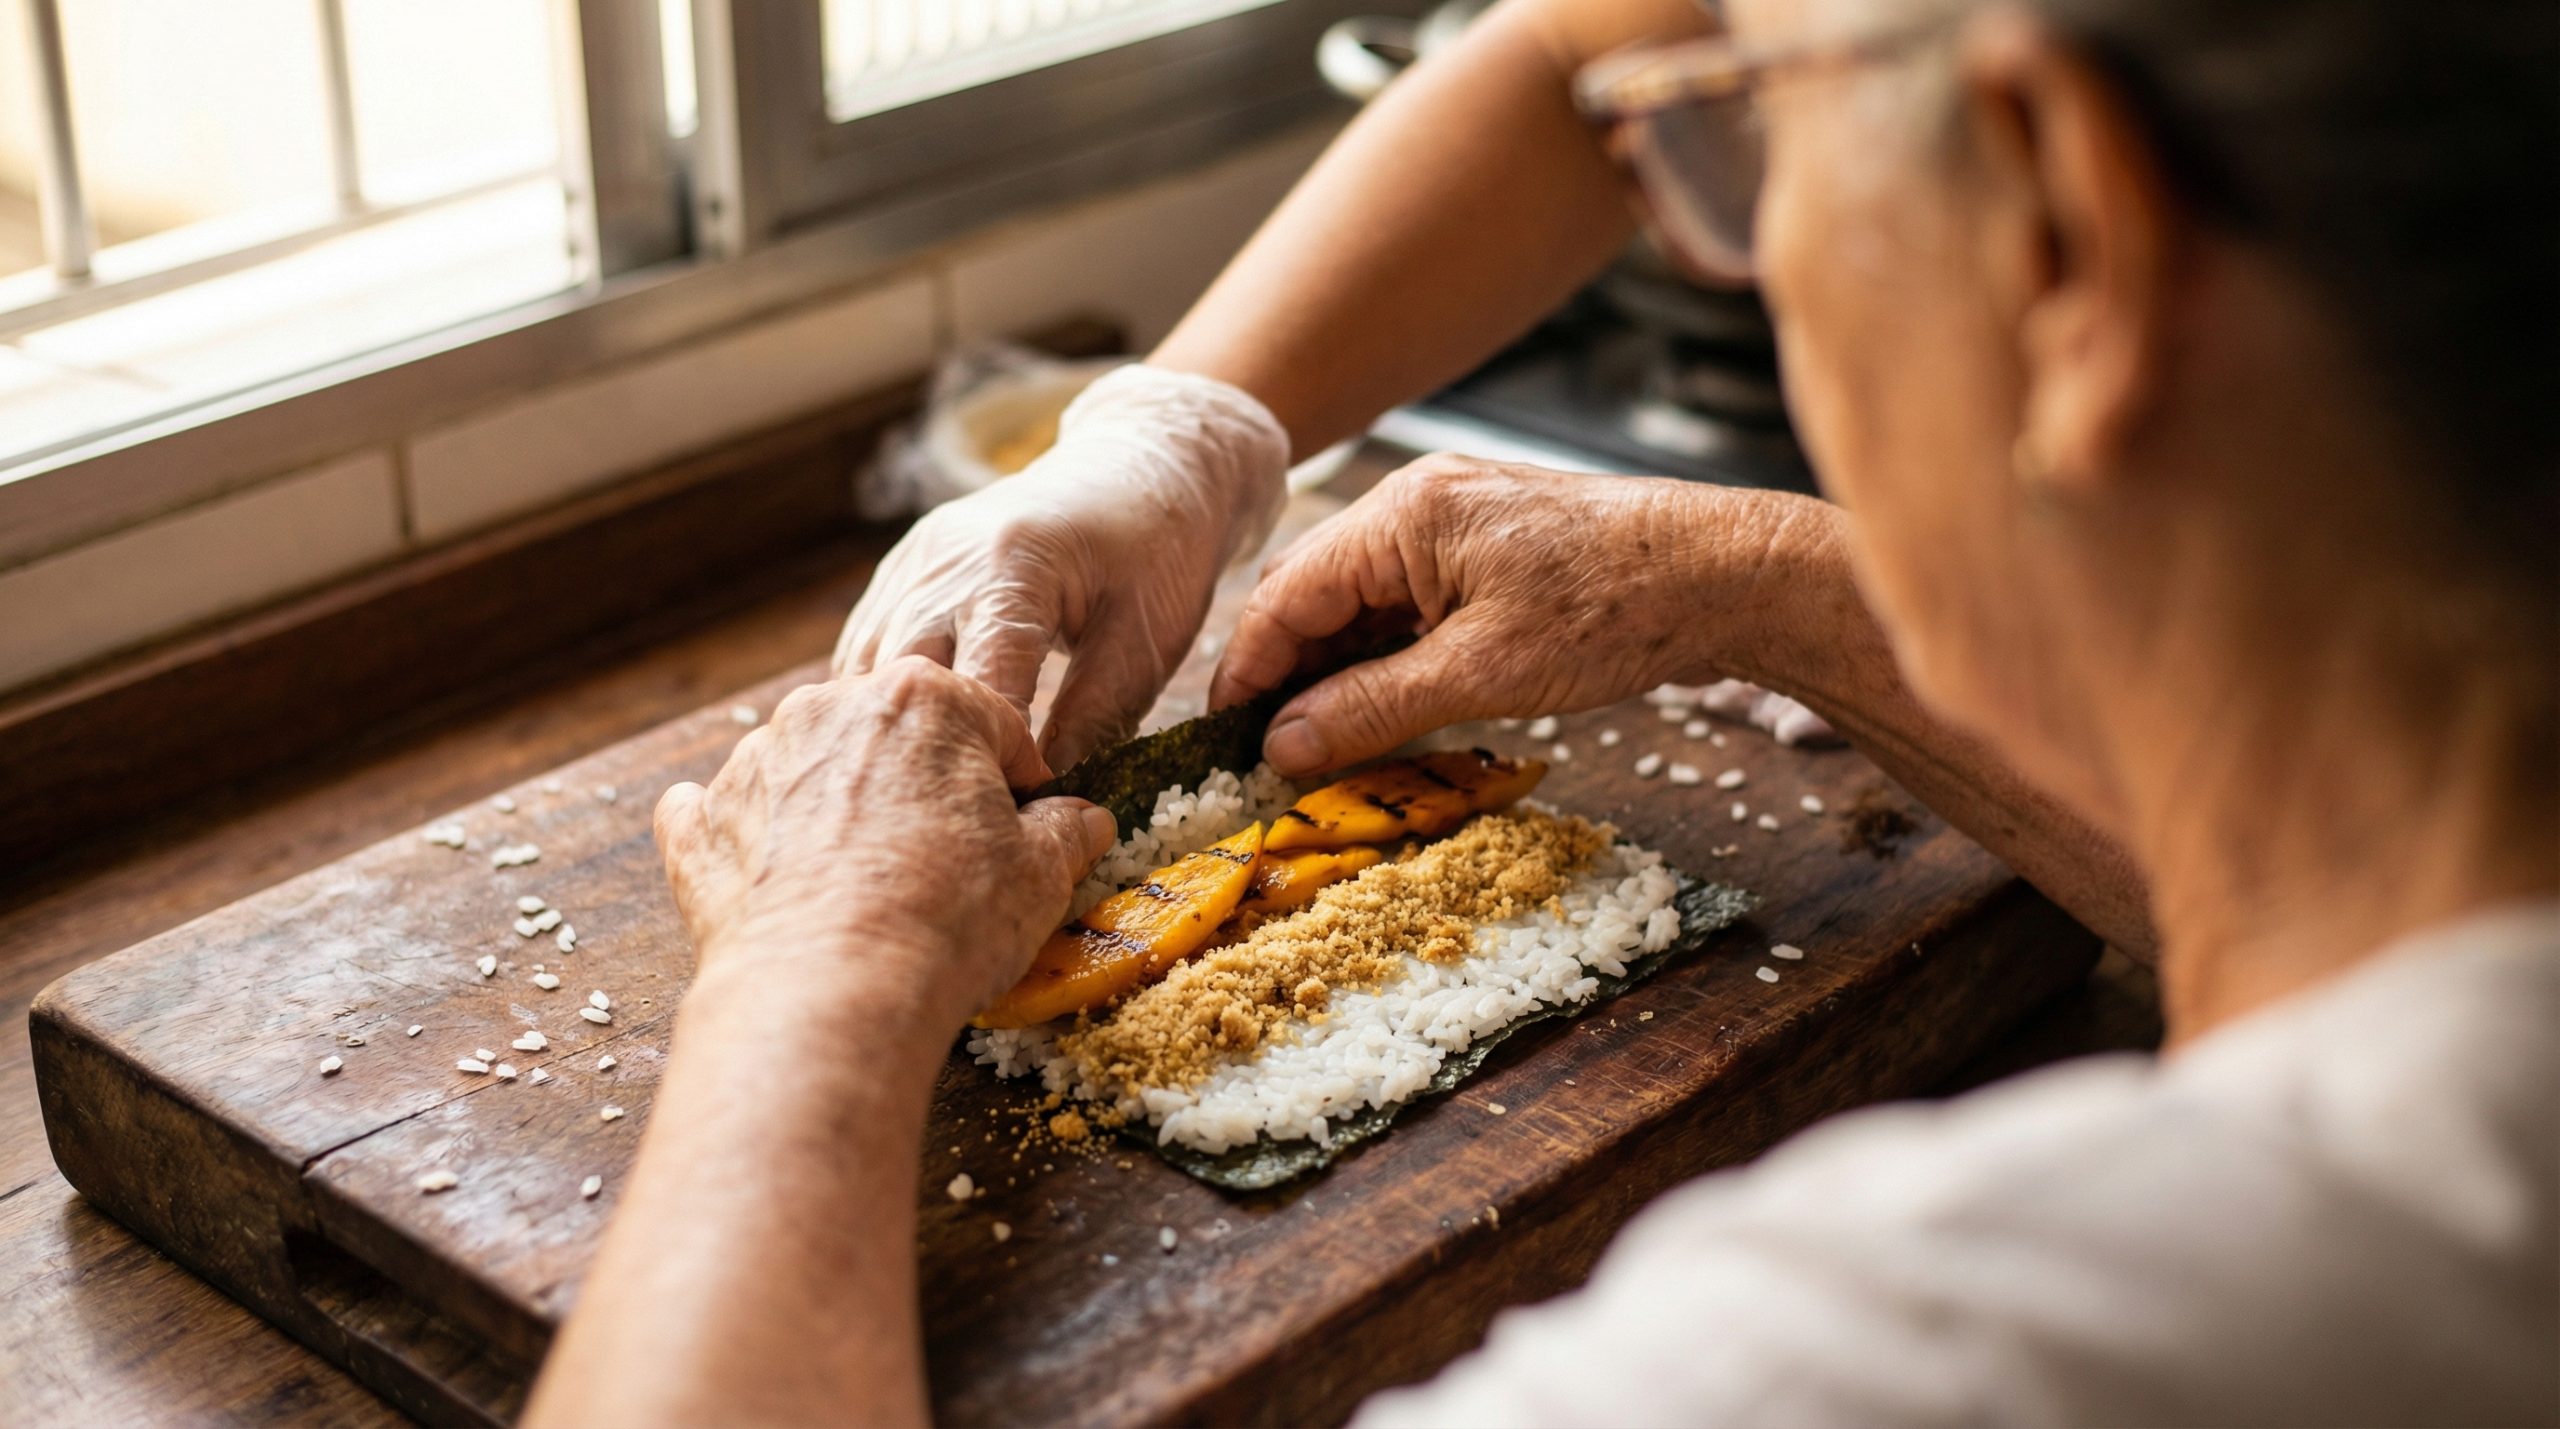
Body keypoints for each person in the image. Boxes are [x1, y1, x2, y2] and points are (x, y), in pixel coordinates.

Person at [525, 0, 2558, 1422]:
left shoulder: (1898, 1359)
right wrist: (1181, 432)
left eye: (1746, 143)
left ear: (2064, 233)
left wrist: (819, 966)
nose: (1726, 222)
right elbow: (1599, 42)